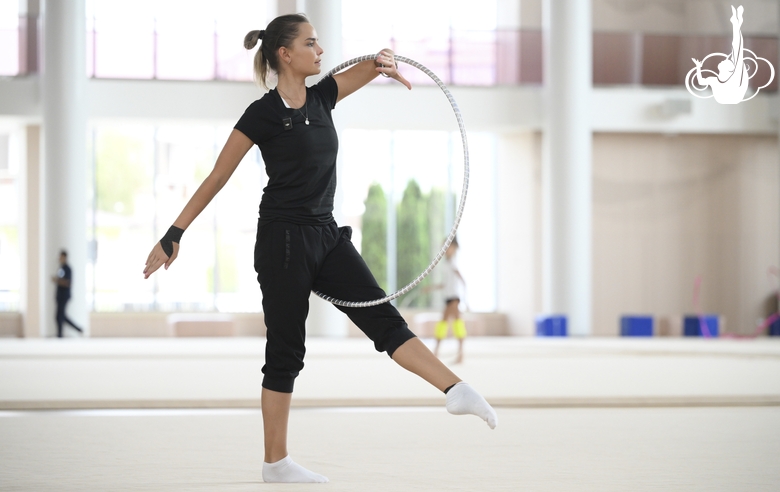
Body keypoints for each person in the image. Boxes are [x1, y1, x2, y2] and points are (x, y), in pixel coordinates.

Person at [143, 13, 497, 484]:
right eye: (311, 44)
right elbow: (217, 177)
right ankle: (276, 463)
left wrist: (384, 60)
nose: (321, 51)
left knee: (383, 317)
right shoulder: (262, 114)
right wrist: (174, 234)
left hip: (327, 235)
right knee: (286, 352)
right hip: (283, 241)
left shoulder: (322, 96)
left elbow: (369, 68)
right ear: (285, 54)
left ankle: (456, 388)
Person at [692, 5, 748, 104]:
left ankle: (736, 23)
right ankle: (736, 23)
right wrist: (736, 25)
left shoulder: (720, 80)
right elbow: (737, 50)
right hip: (731, 96)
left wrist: (698, 67)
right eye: (728, 61)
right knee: (737, 51)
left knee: (737, 50)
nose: (725, 59)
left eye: (727, 61)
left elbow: (701, 81)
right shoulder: (728, 79)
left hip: (731, 96)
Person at [432, 238, 466, 363]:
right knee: (456, 323)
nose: (445, 249)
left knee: (446, 322)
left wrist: (465, 299)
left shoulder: (453, 262)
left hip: (454, 298)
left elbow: (461, 280)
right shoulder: (447, 263)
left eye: (448, 246)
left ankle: (436, 351)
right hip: (449, 297)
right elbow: (446, 284)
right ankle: (460, 354)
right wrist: (431, 288)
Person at [52, 250, 83, 337]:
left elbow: (67, 282)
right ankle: (77, 329)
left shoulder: (68, 269)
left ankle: (60, 335)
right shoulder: (60, 268)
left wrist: (57, 280)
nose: (60, 258)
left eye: (61, 257)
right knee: (61, 316)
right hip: (59, 295)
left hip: (64, 296)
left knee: (60, 316)